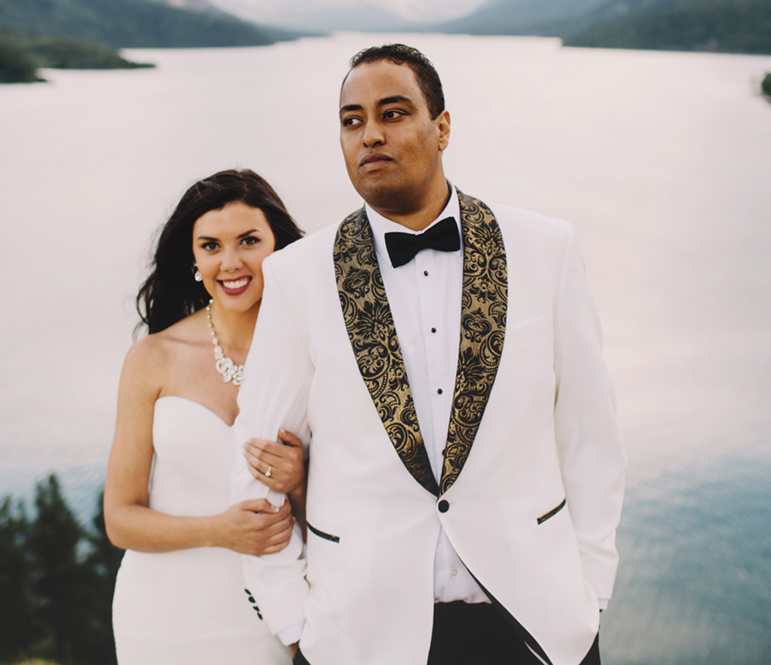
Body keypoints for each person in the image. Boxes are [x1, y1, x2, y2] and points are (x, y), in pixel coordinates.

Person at [230, 44, 627, 665]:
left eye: (392, 113)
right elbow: (255, 461)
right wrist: (292, 621)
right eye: (352, 120)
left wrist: (591, 591)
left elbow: (592, 437)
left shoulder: (544, 248)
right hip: (361, 634)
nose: (370, 135)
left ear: (441, 127)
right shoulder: (296, 276)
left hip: (536, 624)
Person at [105, 169, 313, 665]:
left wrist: (300, 481)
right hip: (162, 613)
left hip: (273, 615)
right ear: (193, 257)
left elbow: (360, 503)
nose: (231, 262)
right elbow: (119, 519)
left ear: (278, 247)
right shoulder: (153, 357)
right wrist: (219, 530)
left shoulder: (313, 352)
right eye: (211, 246)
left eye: (248, 241)